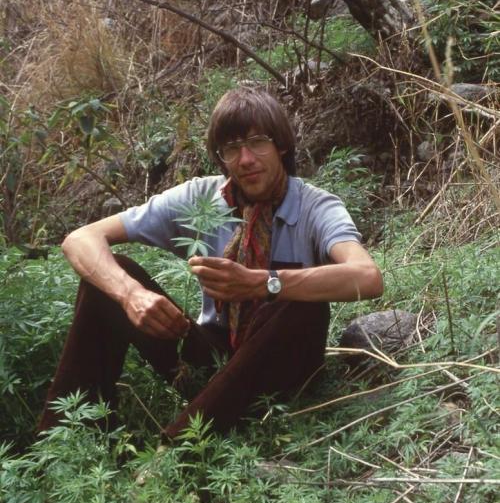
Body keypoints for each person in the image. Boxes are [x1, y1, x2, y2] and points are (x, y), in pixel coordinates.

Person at [38, 88, 383, 440]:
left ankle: (180, 445)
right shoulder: (201, 198)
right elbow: (80, 238)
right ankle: (66, 438)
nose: (246, 159)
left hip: (280, 367)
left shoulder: (315, 206)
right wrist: (130, 295)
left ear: (281, 145)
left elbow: (368, 277)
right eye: (232, 148)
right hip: (212, 354)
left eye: (257, 143)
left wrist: (263, 283)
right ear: (221, 157)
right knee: (112, 277)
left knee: (300, 303)